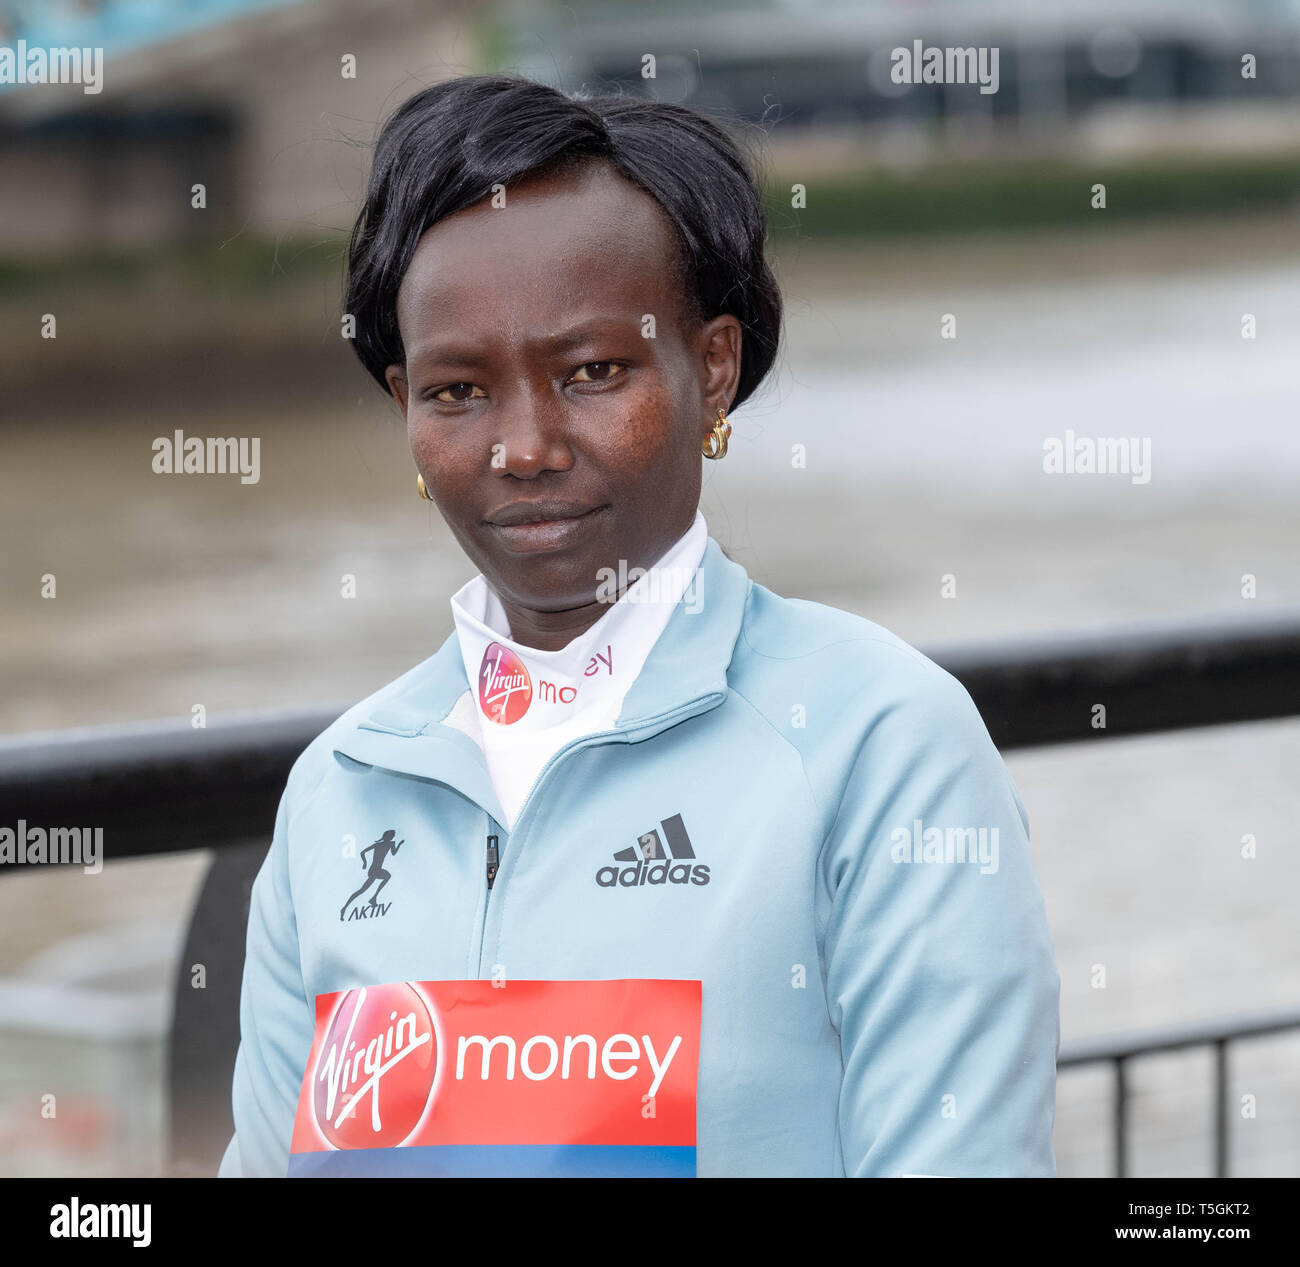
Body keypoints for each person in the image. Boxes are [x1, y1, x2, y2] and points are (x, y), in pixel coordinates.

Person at [219, 74, 1059, 1178]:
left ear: (710, 369)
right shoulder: (339, 787)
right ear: (403, 407)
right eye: (458, 390)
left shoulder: (879, 743)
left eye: (592, 372)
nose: (523, 446)